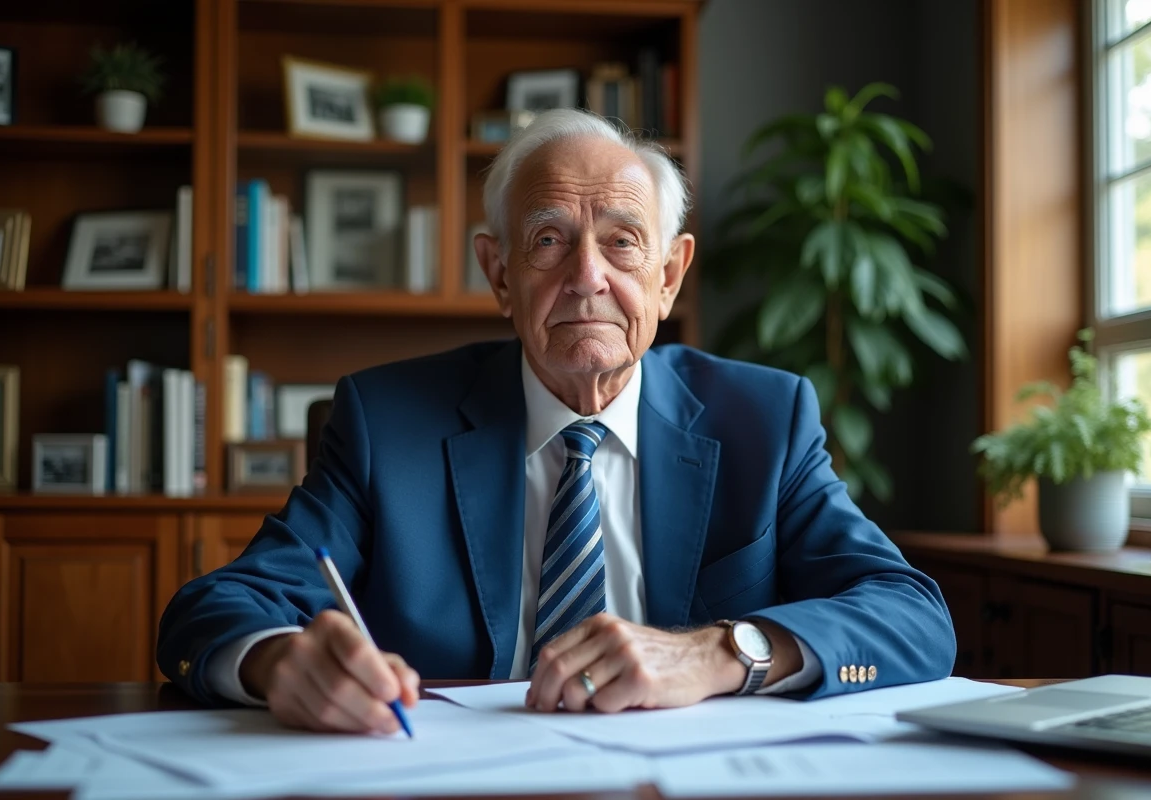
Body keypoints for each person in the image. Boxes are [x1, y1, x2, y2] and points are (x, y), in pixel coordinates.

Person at [158, 109, 956, 735]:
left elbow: (910, 615)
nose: (587, 279)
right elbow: (214, 608)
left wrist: (720, 652)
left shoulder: (765, 419)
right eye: (548, 242)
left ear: (670, 275)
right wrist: (278, 662)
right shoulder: (386, 421)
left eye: (622, 243)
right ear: (499, 273)